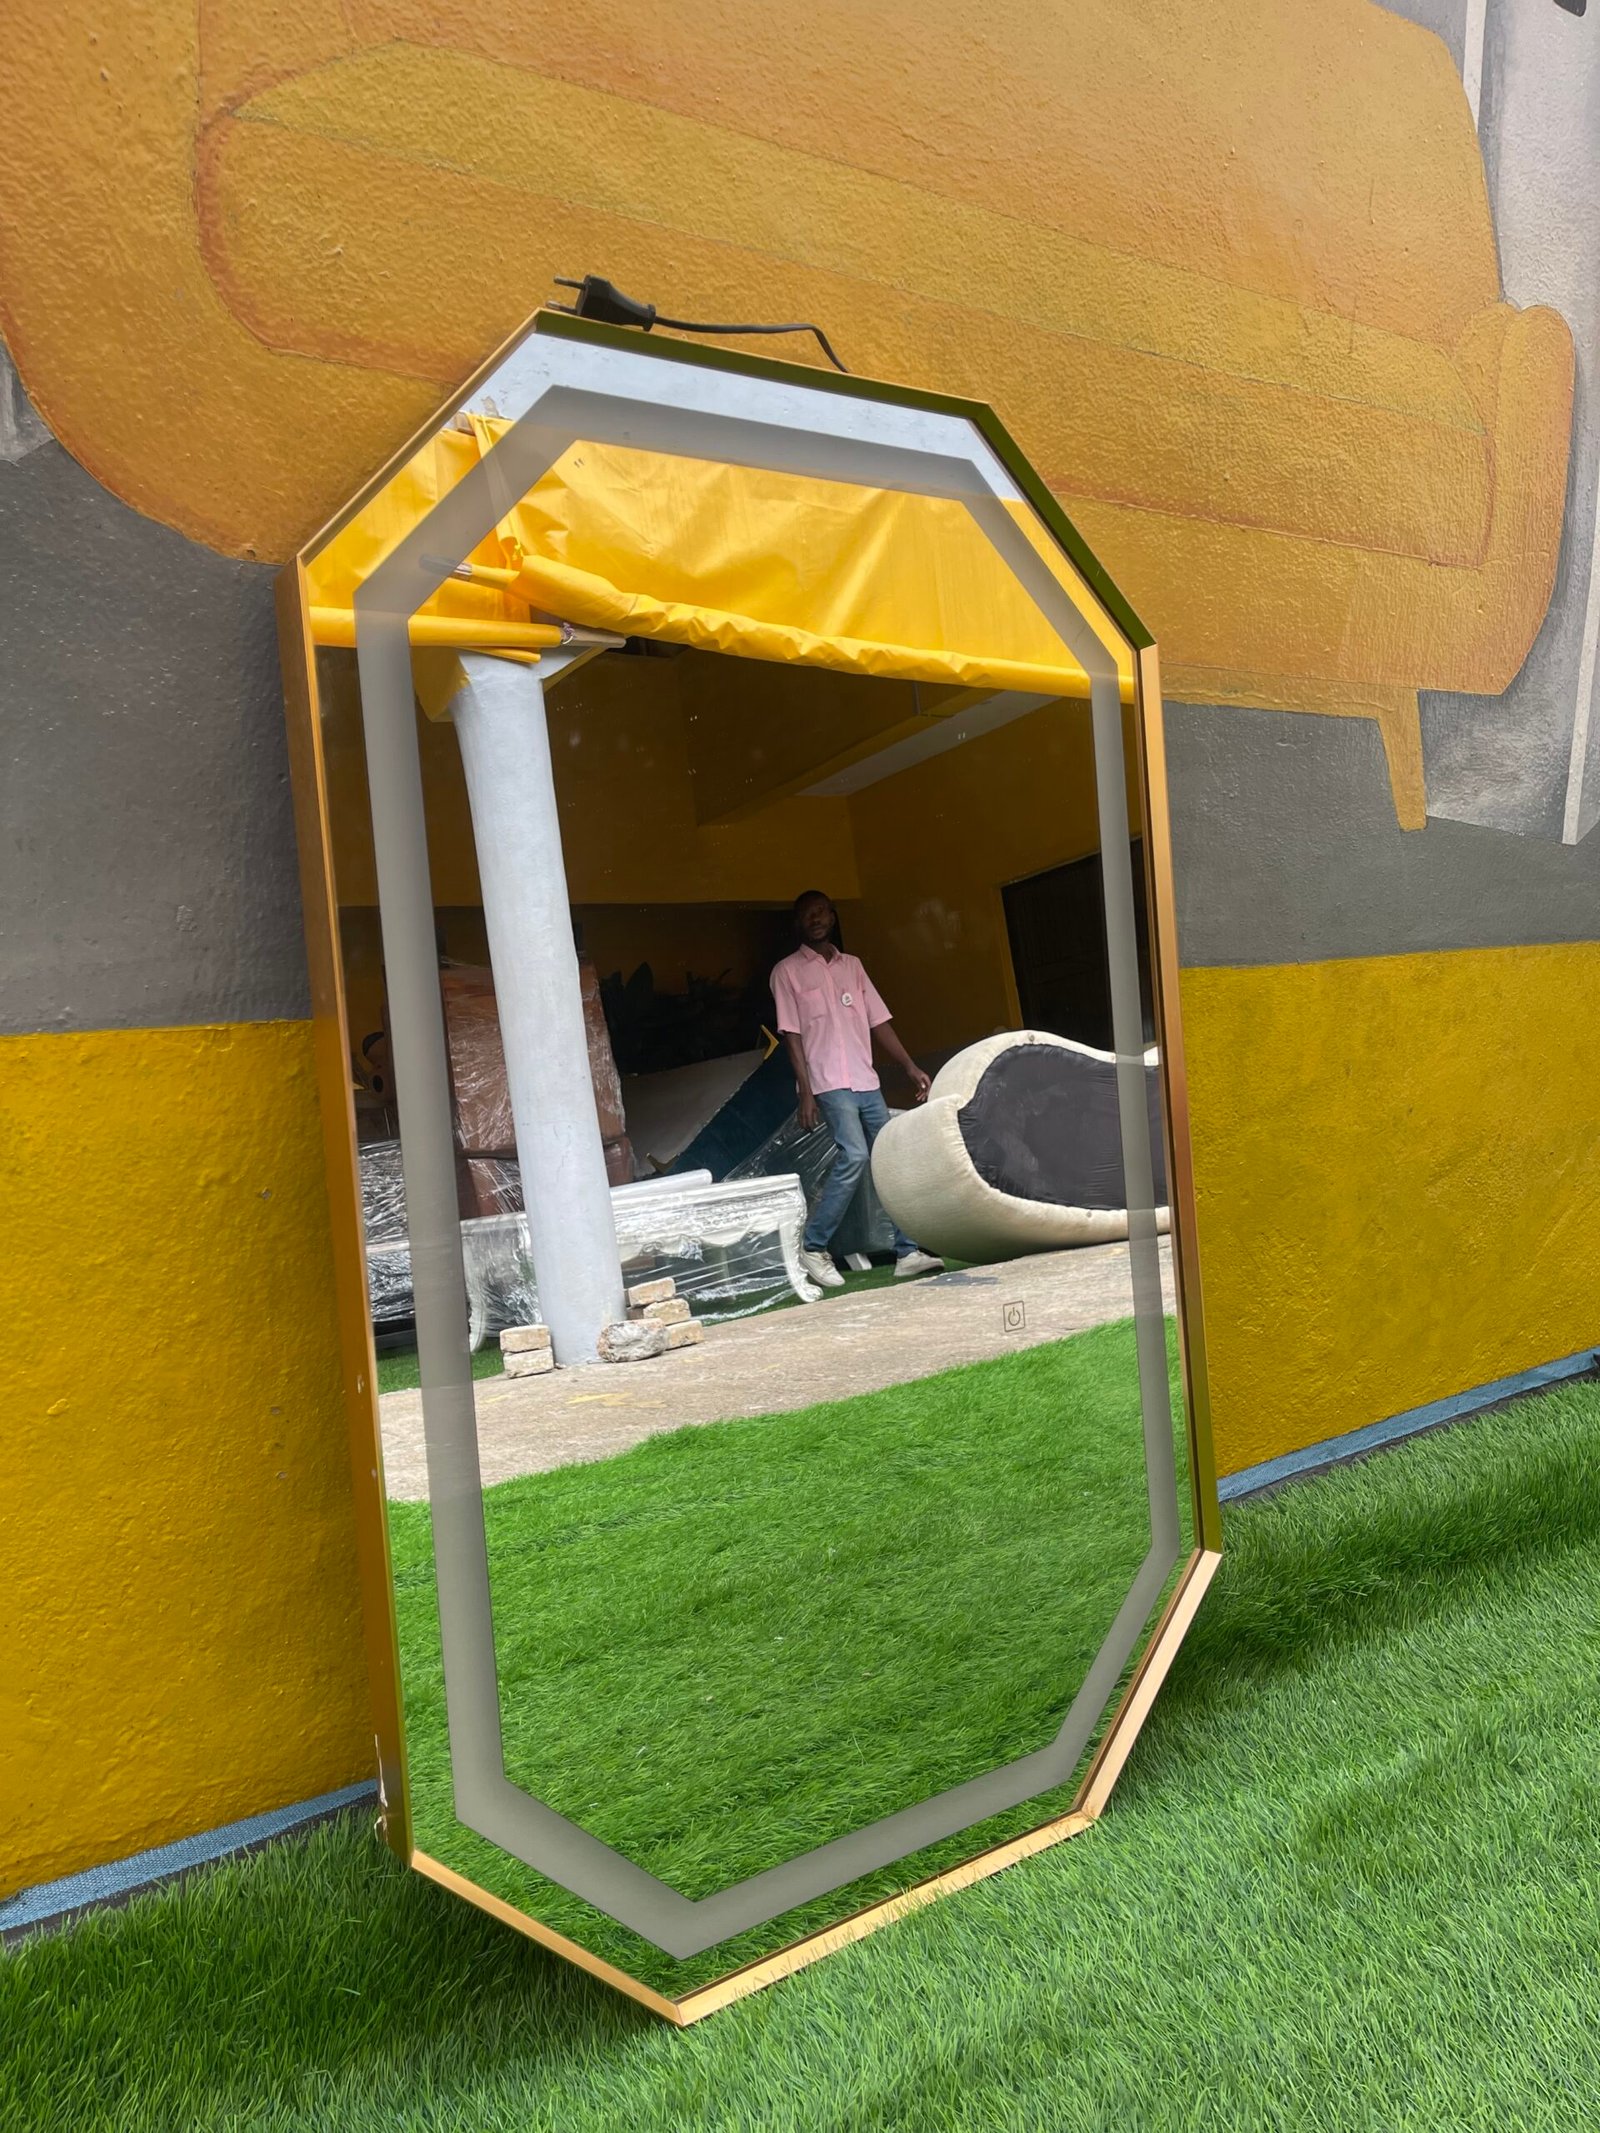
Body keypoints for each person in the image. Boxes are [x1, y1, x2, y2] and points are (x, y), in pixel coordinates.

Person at [771, 889, 944, 1289]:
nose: (816, 919)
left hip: (867, 1081)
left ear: (832, 917)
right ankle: (813, 1246)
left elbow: (878, 1021)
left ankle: (907, 1253)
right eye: (807, 914)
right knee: (856, 1156)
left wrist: (909, 1065)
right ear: (798, 923)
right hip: (829, 1083)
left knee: (890, 1159)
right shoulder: (787, 972)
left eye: (821, 912)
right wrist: (806, 1091)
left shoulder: (853, 966)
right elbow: (792, 1036)